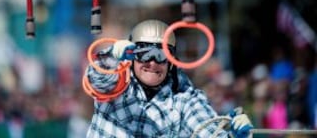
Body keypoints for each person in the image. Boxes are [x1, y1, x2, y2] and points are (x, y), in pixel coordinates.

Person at [84, 19, 253, 137]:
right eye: (144, 54)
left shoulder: (185, 99)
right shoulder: (117, 85)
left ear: (171, 61)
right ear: (132, 56)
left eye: (160, 55)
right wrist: (111, 57)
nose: (152, 63)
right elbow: (98, 79)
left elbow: (206, 129)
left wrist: (233, 135)